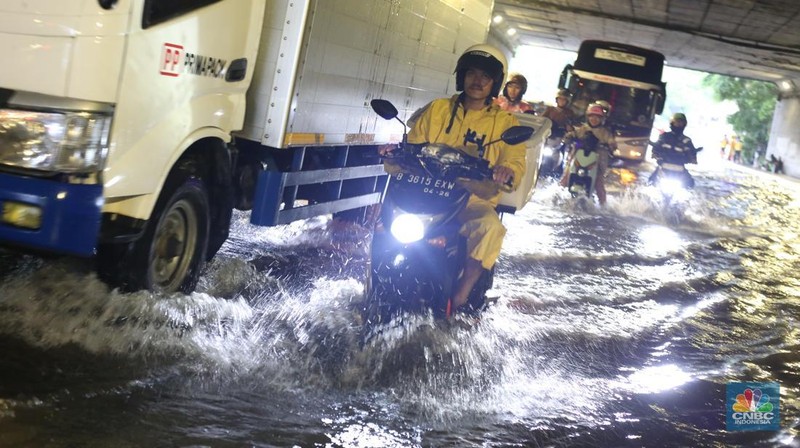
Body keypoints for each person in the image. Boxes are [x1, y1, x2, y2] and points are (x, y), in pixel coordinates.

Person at [392, 44, 526, 315]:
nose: (477, 81)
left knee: (490, 228)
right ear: (461, 76)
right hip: (424, 192)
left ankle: (461, 295)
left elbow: (514, 160)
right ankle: (372, 281)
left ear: (494, 83)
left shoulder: (504, 122)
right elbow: (414, 143)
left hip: (472, 198)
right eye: (472, 74)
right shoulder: (438, 109)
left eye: (485, 77)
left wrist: (506, 171)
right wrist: (394, 151)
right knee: (385, 224)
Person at [559, 103, 616, 205]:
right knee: (565, 178)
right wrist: (569, 136)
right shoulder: (582, 128)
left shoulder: (605, 132)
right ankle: (555, 197)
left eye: (597, 117)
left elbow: (611, 142)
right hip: (578, 159)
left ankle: (604, 205)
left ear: (601, 119)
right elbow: (572, 134)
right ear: (588, 117)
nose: (594, 119)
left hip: (596, 162)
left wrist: (611, 145)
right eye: (591, 116)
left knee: (599, 184)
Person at [648, 112, 698, 187]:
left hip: (679, 169)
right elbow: (656, 148)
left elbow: (692, 153)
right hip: (663, 166)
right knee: (650, 182)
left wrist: (693, 158)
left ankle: (686, 198)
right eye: (677, 122)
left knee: (690, 184)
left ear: (684, 124)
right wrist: (656, 155)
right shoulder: (664, 136)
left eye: (681, 123)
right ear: (672, 123)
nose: (679, 125)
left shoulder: (687, 140)